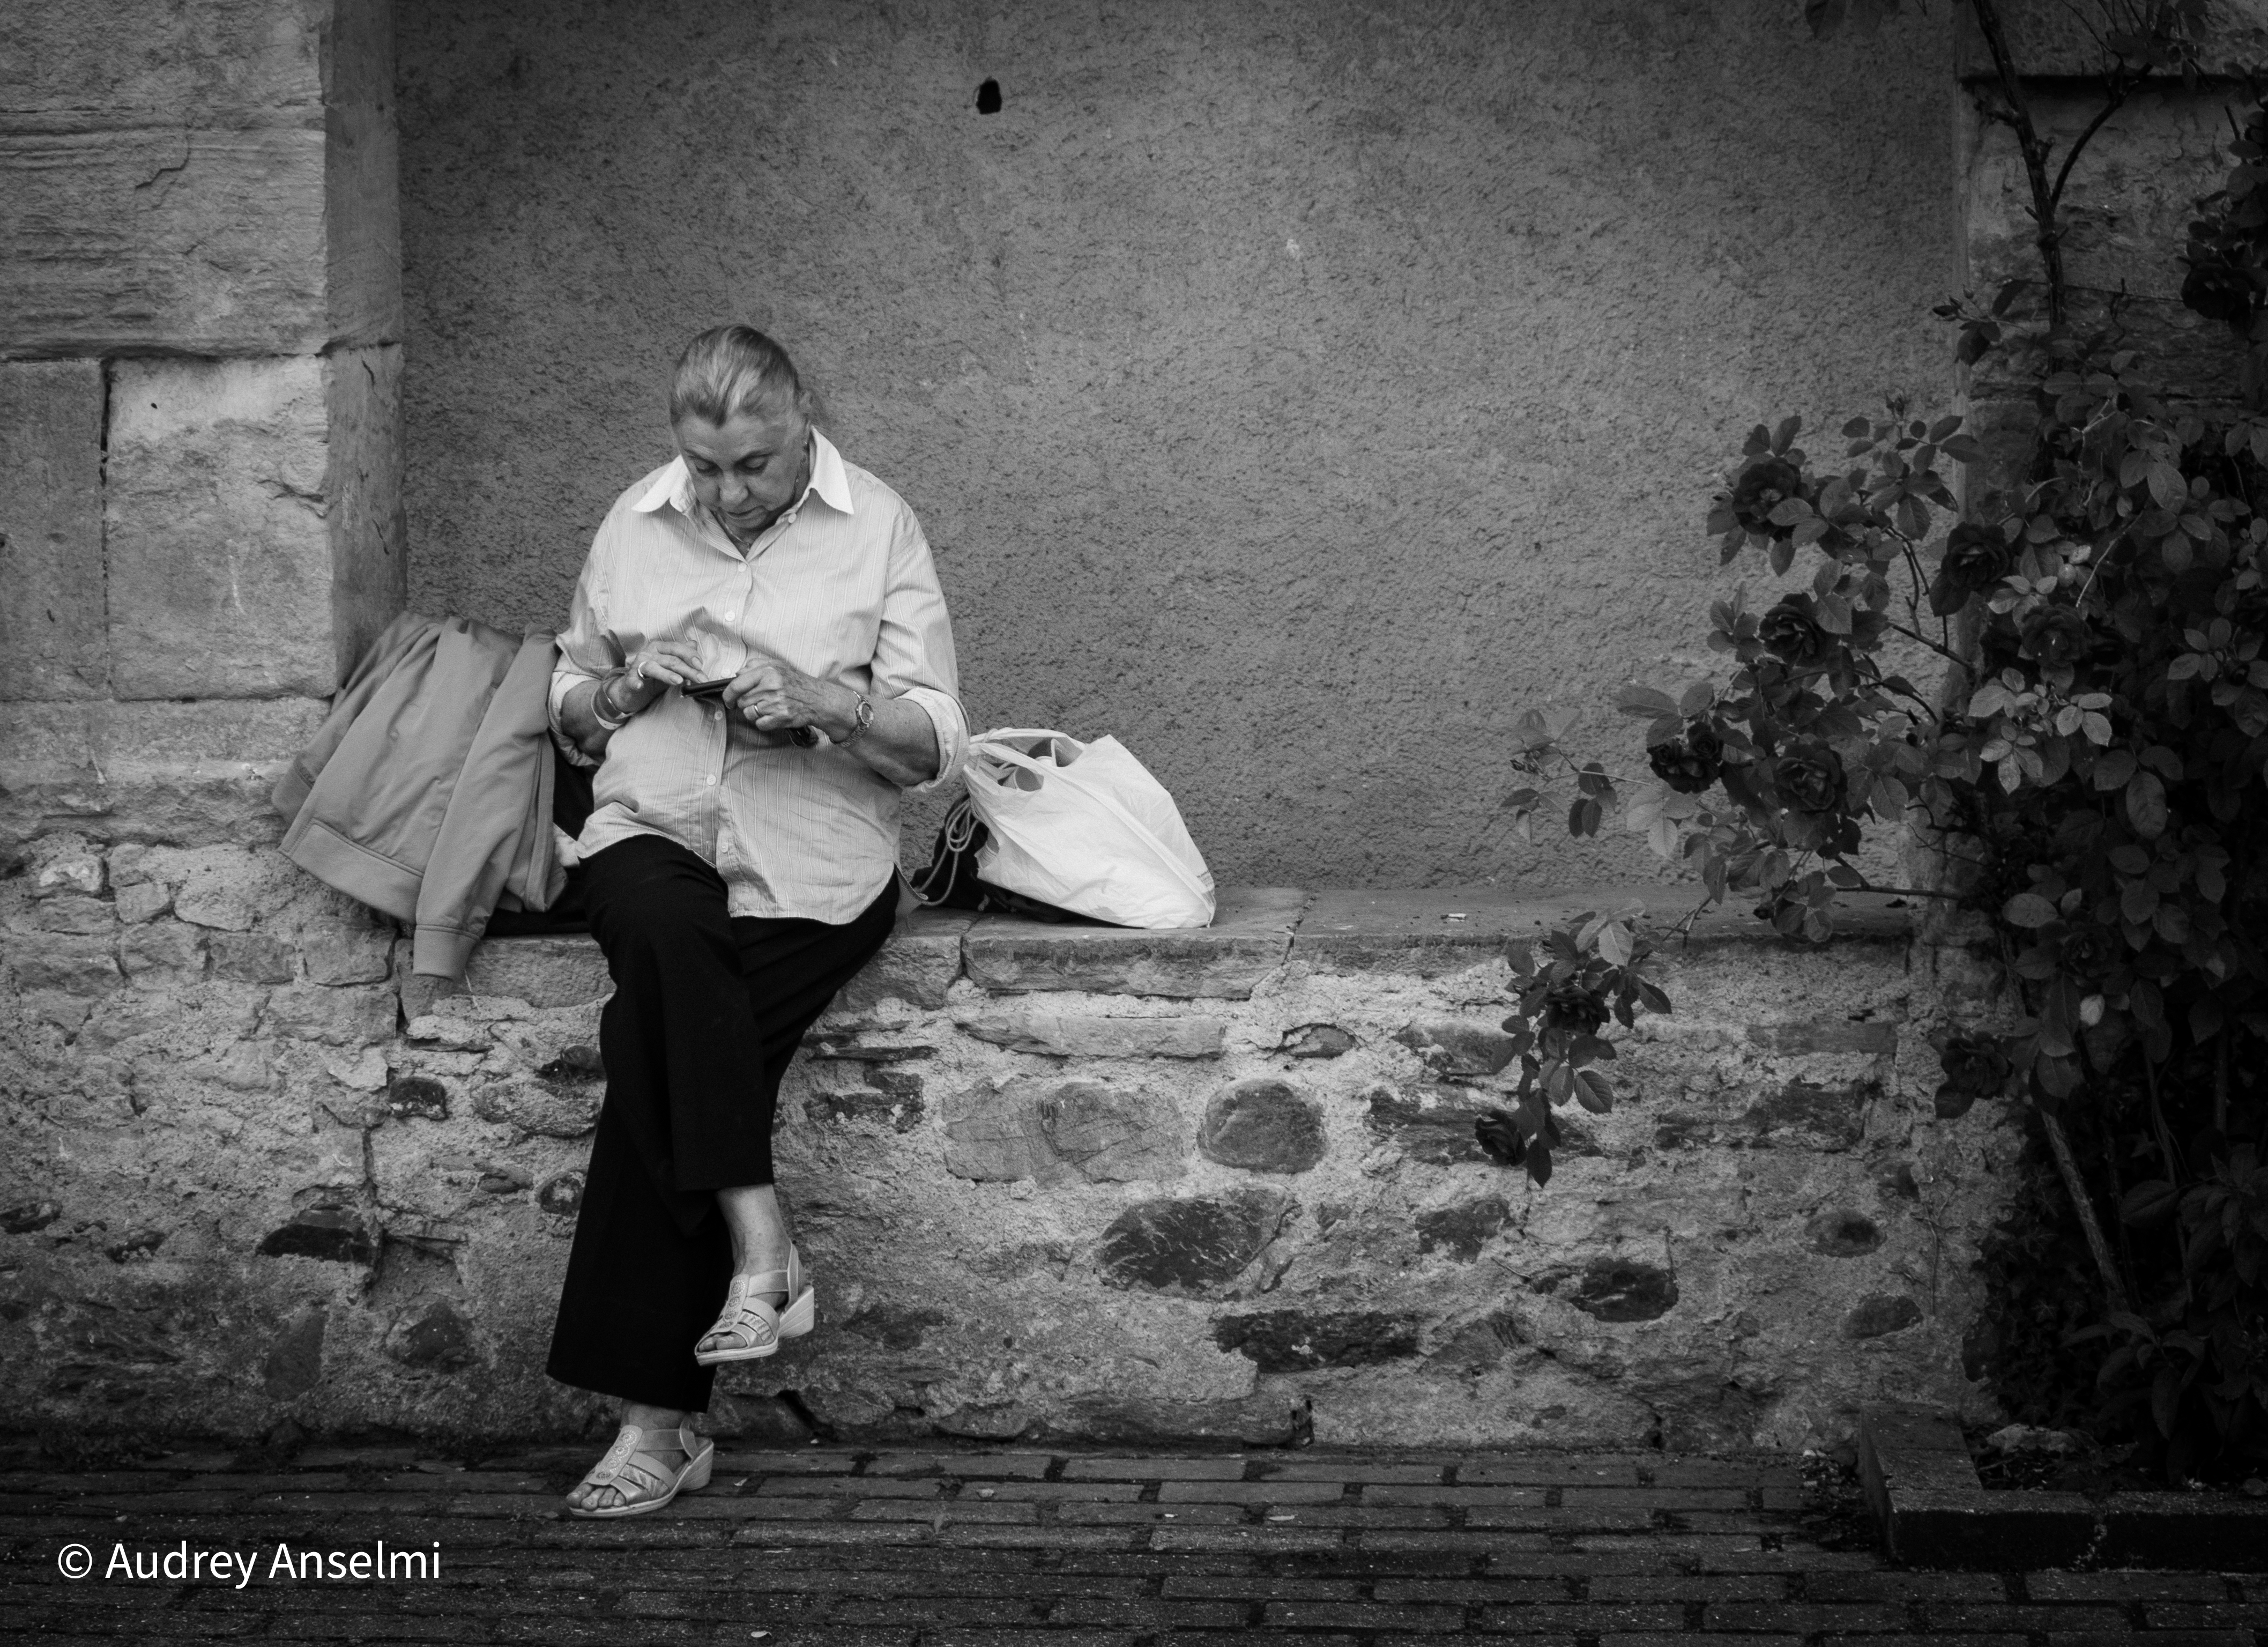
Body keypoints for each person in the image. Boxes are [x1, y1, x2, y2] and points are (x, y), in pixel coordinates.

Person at [544, 325, 966, 1516]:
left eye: (756, 465)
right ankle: (762, 1243)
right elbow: (571, 697)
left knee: (659, 1052)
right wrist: (621, 690)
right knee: (668, 938)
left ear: (802, 425)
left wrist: (829, 706)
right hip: (654, 830)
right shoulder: (633, 522)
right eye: (706, 465)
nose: (727, 492)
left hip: (814, 864)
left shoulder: (878, 524)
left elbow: (934, 738)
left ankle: (655, 1428)